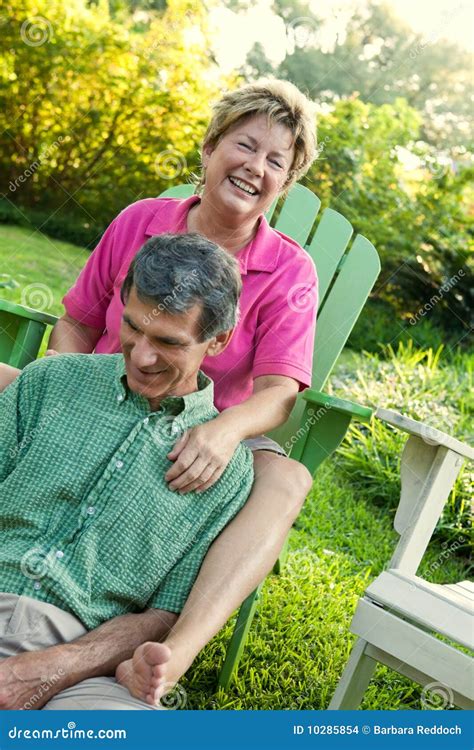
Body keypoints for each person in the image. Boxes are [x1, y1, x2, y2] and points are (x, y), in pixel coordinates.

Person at [0, 79, 318, 702]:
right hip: (101, 384)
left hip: (202, 432)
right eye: (244, 145)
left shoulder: (290, 270)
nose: (255, 167)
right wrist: (71, 392)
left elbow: (280, 392)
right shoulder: (140, 221)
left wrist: (221, 433)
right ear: (209, 148)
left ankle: (168, 654)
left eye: (275, 161)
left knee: (287, 480)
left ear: (287, 181)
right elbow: (78, 320)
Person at [0, 233, 256, 710]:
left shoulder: (227, 474)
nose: (141, 355)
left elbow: (163, 614)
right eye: (133, 327)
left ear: (218, 340)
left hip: (85, 662)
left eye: (168, 342)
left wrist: (50, 668)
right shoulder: (50, 381)